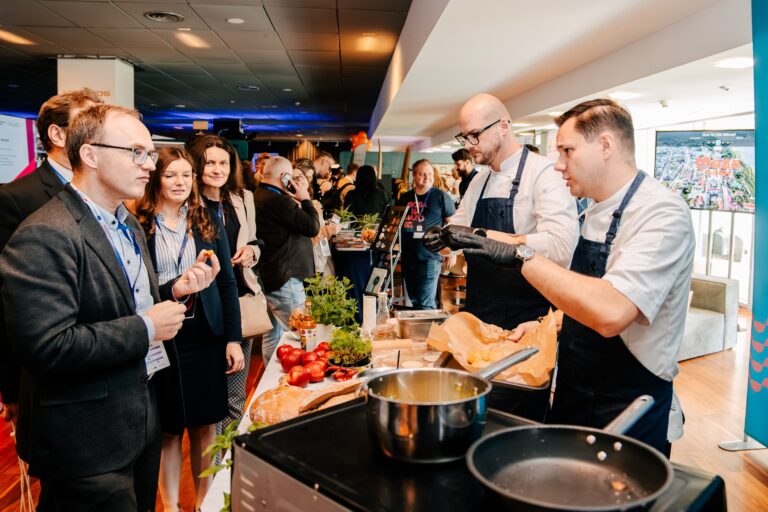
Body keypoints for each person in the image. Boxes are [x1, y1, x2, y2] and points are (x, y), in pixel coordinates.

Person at [439, 98, 695, 456]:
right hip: (576, 389)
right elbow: (587, 291)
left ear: (606, 145)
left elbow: (611, 312)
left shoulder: (661, 213)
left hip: (629, 403)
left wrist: (518, 252)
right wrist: (550, 322)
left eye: (567, 151)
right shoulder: (594, 211)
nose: (558, 165)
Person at [0, 103, 218, 511]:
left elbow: (124, 302)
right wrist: (147, 327)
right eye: (136, 152)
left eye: (149, 154)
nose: (148, 165)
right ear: (91, 154)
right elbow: (47, 346)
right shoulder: (45, 233)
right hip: (87, 441)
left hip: (139, 421)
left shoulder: (127, 222)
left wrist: (173, 291)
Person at [136, 147, 243, 511]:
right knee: (167, 429)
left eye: (186, 175)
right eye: (171, 175)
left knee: (206, 426)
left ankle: (203, 502)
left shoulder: (207, 220)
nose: (180, 182)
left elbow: (228, 284)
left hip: (206, 335)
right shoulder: (140, 224)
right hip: (162, 336)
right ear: (156, 179)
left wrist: (233, 338)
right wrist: (175, 285)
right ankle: (170, 506)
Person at [0, 88, 102, 426]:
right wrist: (11, 389)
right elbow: (10, 304)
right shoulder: (17, 198)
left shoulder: (103, 192)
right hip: (53, 378)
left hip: (104, 363)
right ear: (57, 134)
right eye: (88, 122)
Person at [443, 93, 578, 330]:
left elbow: (561, 247)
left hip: (528, 319)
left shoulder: (544, 173)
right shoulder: (478, 182)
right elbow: (457, 231)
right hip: (479, 315)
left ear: (503, 126)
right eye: (463, 138)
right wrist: (442, 238)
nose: (468, 145)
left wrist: (486, 238)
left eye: (474, 135)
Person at [187, 135, 262, 432]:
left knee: (234, 394)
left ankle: (228, 466)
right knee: (207, 401)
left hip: (240, 300)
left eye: (223, 163)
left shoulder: (242, 199)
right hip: (204, 305)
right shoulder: (189, 203)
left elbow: (256, 240)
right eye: (209, 163)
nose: (217, 170)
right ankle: (212, 469)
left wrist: (252, 252)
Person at [254, 156, 320, 359]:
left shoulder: (258, 195)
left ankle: (271, 385)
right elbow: (312, 226)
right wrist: (305, 198)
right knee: (304, 332)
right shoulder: (278, 201)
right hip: (285, 279)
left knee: (273, 334)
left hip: (271, 275)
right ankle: (303, 380)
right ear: (284, 177)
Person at [396, 159, 455, 309]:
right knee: (415, 300)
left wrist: (452, 251)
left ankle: (428, 332)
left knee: (426, 303)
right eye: (422, 174)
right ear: (414, 175)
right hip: (408, 256)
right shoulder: (405, 197)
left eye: (429, 174)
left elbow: (452, 225)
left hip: (430, 257)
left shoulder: (441, 196)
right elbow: (397, 222)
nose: (427, 177)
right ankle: (419, 331)